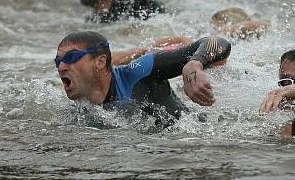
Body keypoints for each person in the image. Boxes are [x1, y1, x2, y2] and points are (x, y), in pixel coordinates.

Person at [55, 31, 231, 121]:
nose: (61, 67)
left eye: (70, 58)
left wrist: (193, 65)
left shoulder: (137, 72)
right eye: (58, 61)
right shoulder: (79, 113)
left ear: (100, 62)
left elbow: (217, 42)